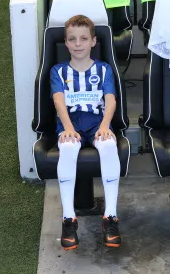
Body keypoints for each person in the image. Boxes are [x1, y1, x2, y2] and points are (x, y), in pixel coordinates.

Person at [50, 15, 122, 250]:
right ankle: (68, 219)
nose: (78, 44)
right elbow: (59, 101)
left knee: (109, 145)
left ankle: (110, 217)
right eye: (72, 39)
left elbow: (110, 100)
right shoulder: (58, 71)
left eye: (83, 39)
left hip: (97, 122)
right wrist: (68, 128)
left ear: (93, 41)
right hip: (70, 121)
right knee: (69, 148)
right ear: (66, 43)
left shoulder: (103, 69)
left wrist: (105, 126)